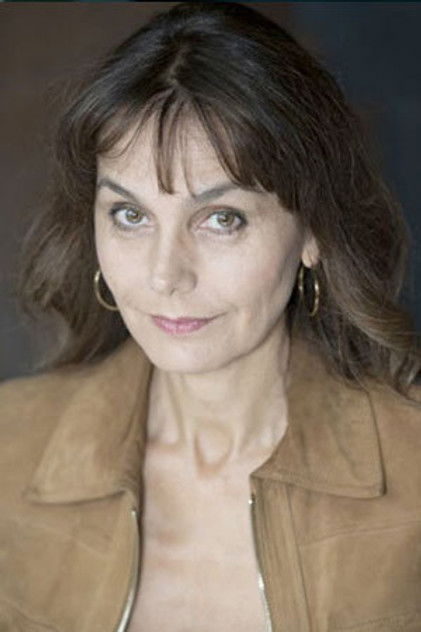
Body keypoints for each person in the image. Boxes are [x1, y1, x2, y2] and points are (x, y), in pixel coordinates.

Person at [1, 2, 421, 630]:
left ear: (312, 231)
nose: (165, 275)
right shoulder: (9, 448)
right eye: (130, 215)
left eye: (222, 219)